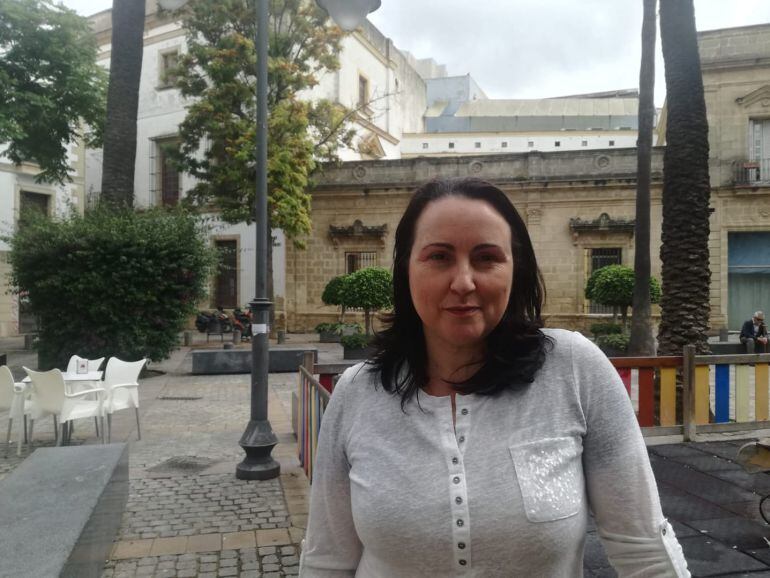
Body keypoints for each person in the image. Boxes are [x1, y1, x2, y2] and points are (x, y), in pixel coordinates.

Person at [300, 177, 689, 577]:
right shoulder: (356, 394)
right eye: (439, 257)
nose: (464, 282)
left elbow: (645, 550)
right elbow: (326, 561)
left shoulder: (574, 369)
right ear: (406, 270)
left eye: (486, 257)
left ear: (515, 271)